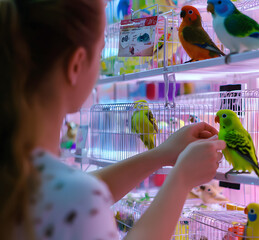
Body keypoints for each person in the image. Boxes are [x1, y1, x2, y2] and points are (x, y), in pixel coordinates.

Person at [0, 0, 226, 239]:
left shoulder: (20, 174)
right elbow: (77, 196)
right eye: (100, 53)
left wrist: (162, 154)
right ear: (75, 65)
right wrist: (181, 180)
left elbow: (74, 189)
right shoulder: (74, 199)